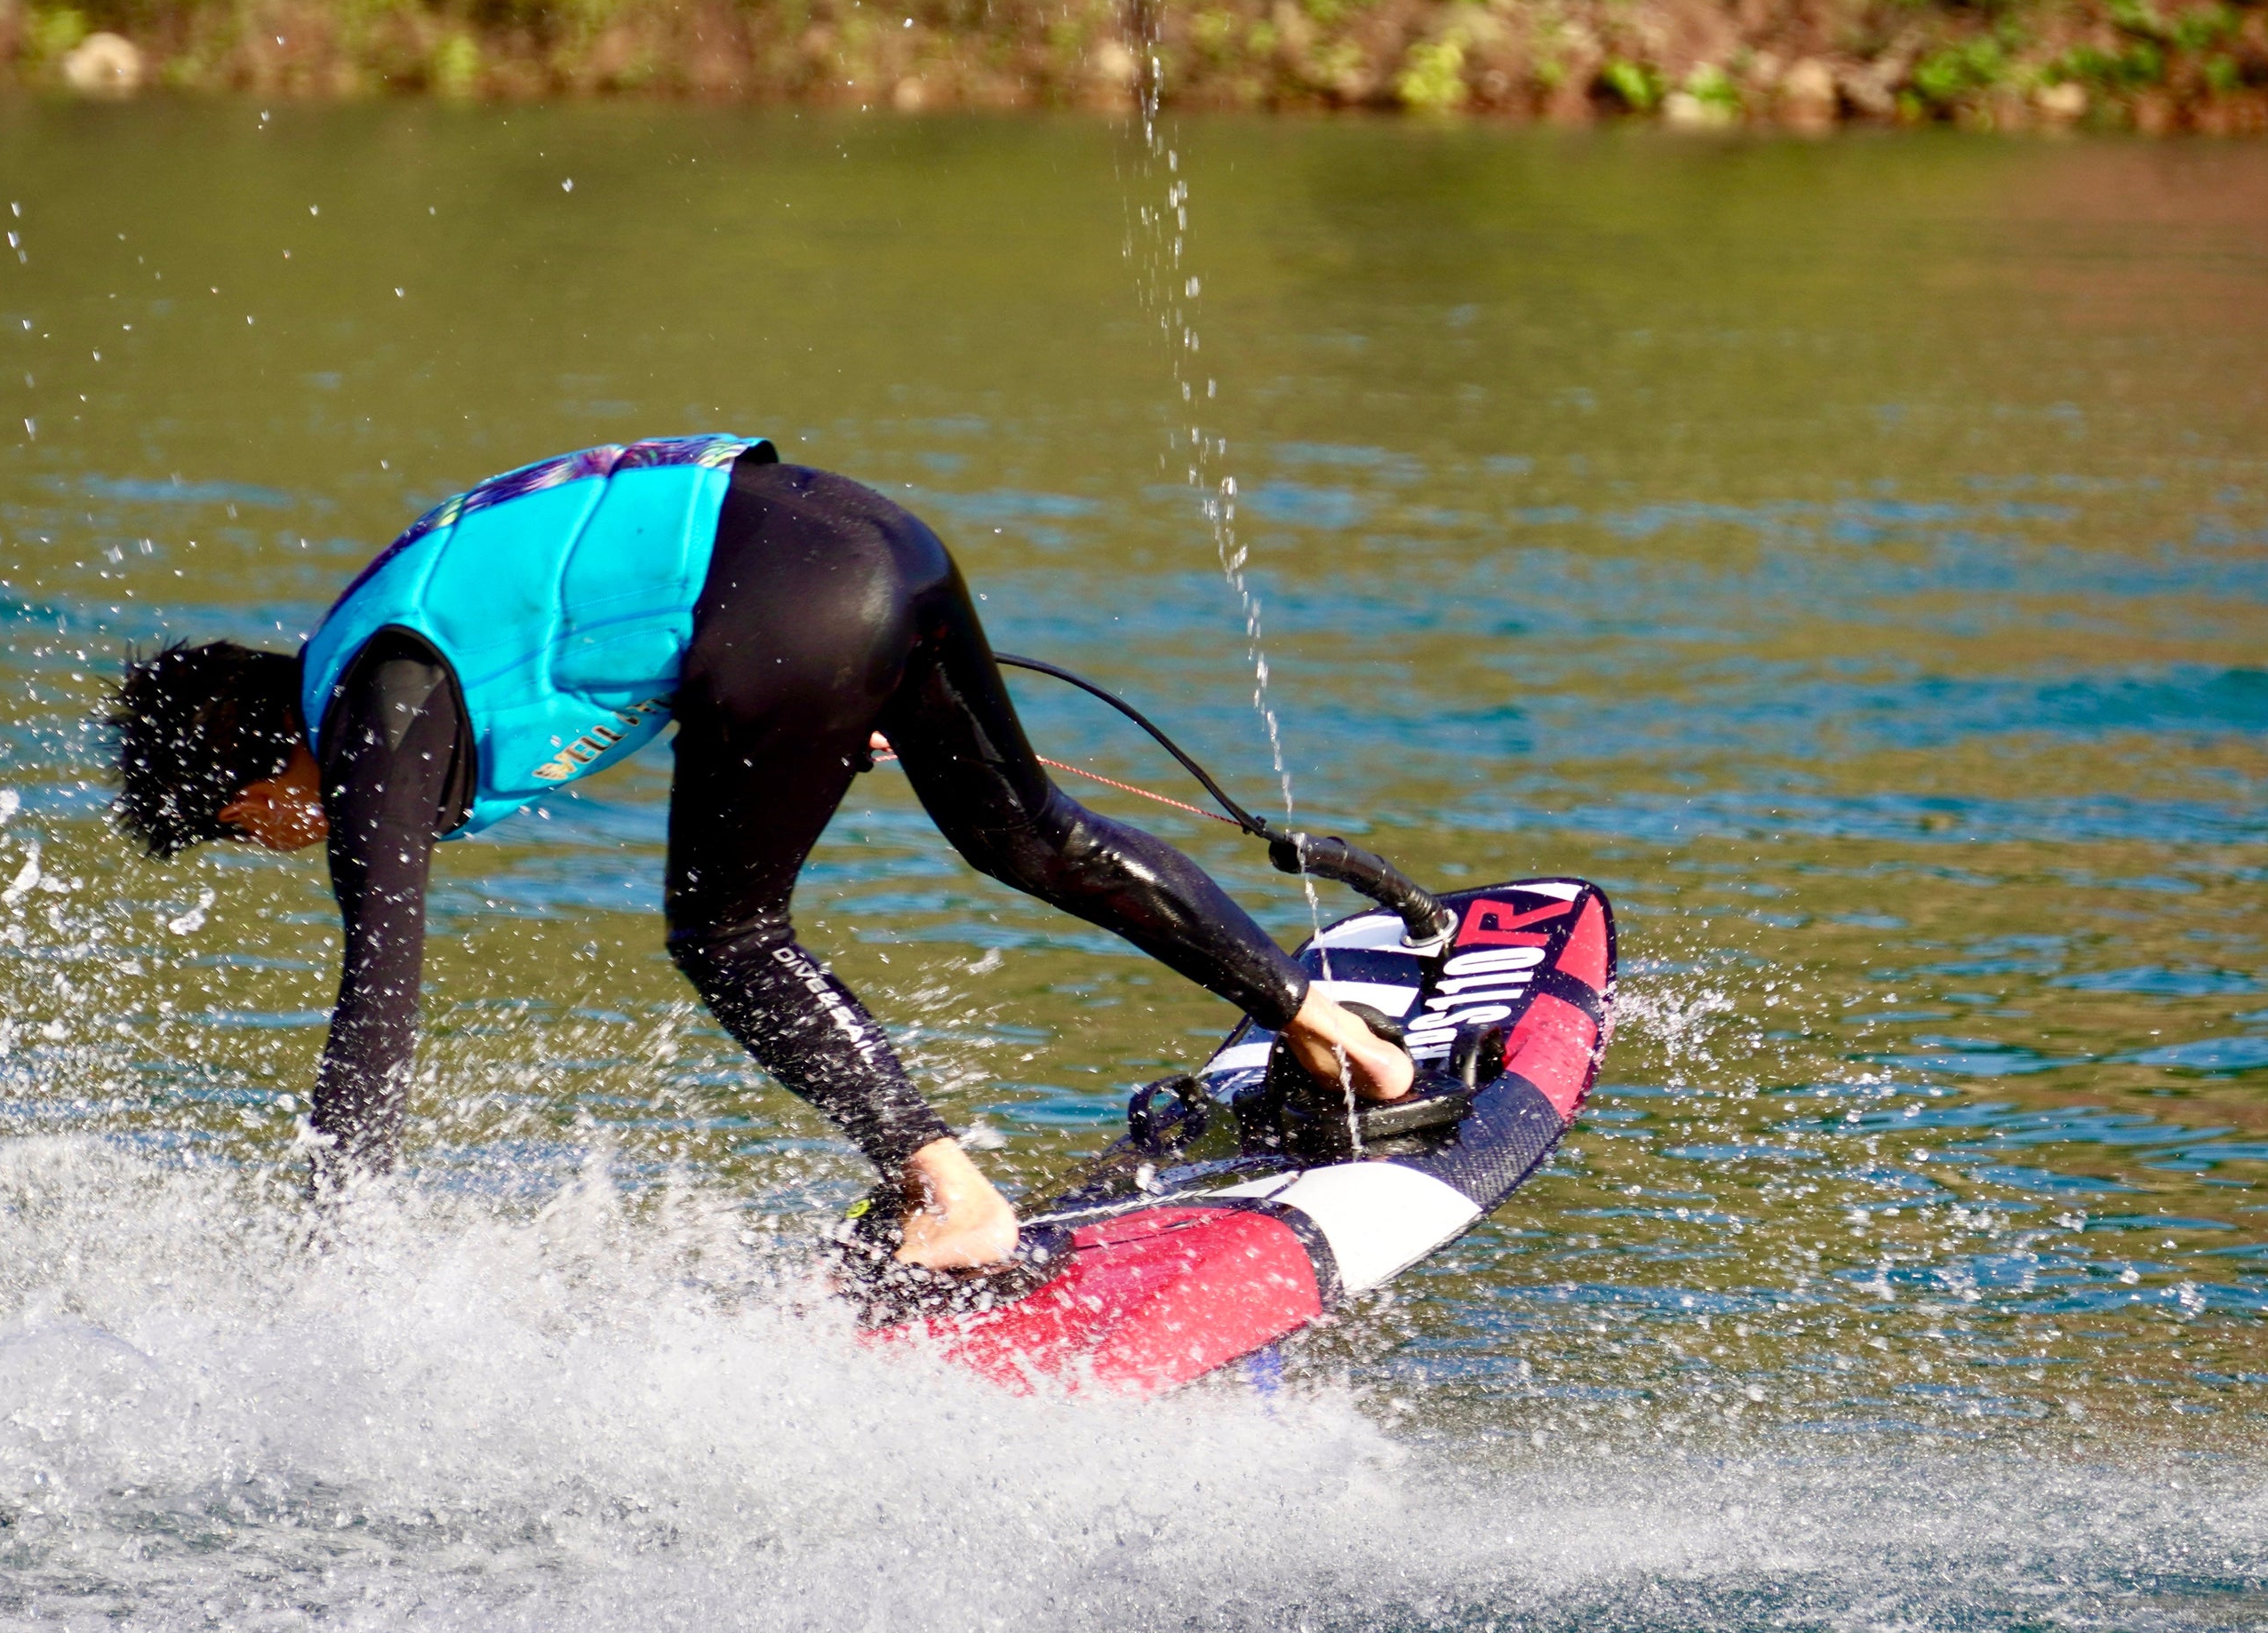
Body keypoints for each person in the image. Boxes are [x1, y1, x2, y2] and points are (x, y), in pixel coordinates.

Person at [105, 435, 1410, 1268]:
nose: (278, 843)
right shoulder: (397, 630)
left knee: (724, 935)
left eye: (238, 832)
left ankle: (951, 1195)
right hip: (869, 539)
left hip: (782, 605)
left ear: (247, 777)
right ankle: (1332, 1033)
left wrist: (328, 1245)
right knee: (1031, 835)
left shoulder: (372, 712)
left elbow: (374, 1003)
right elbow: (630, 601)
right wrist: (824, 687)